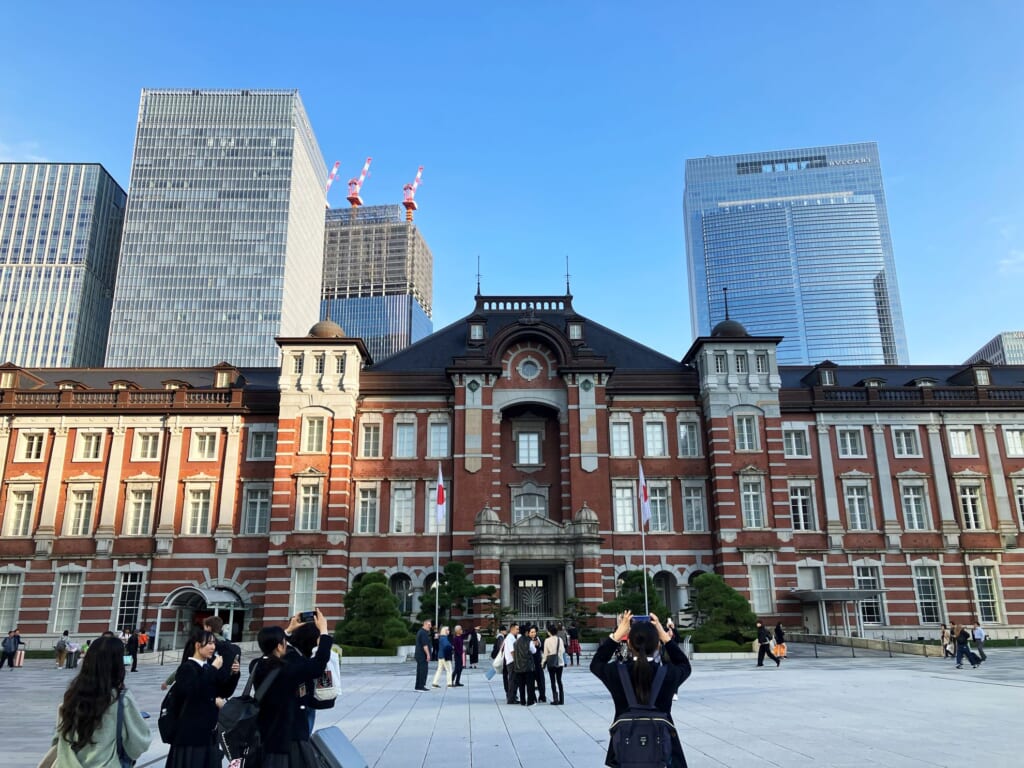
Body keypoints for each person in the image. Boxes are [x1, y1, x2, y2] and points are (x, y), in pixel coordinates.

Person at [590, 611, 691, 768]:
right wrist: (665, 636)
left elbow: (596, 663)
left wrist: (616, 635)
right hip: (664, 749)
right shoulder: (668, 673)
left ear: (629, 644)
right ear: (658, 644)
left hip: (625, 748)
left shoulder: (617, 672)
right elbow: (684, 665)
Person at [49, 635, 152, 766]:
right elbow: (139, 743)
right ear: (117, 664)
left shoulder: (71, 696)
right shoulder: (121, 699)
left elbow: (58, 738)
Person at [250, 610, 334, 767]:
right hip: (290, 735)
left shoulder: (256, 665)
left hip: (266, 731)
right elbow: (318, 663)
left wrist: (288, 631)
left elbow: (272, 650)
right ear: (280, 646)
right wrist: (323, 631)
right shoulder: (290, 669)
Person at [165, 627, 229, 768]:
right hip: (191, 734)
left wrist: (234, 673)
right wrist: (213, 669)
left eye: (214, 643)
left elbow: (224, 689)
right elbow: (194, 692)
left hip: (207, 732)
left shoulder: (207, 667)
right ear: (198, 645)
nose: (213, 647)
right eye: (209, 643)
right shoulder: (187, 668)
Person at [541, 622, 565, 705]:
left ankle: (555, 699)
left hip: (551, 662)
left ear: (549, 632)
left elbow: (545, 653)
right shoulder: (560, 639)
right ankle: (562, 699)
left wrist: (543, 662)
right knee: (559, 680)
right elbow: (563, 651)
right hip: (560, 662)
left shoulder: (547, 640)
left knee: (552, 681)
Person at [513, 626, 537, 706]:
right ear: (526, 632)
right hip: (528, 666)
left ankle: (522, 701)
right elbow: (534, 651)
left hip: (519, 666)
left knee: (521, 685)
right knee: (530, 685)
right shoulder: (529, 641)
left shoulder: (516, 642)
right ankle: (530, 701)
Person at [502, 623, 520, 703]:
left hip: (512, 661)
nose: (518, 631)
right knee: (512, 680)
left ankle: (512, 697)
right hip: (512, 662)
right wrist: (517, 661)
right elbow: (512, 651)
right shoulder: (510, 638)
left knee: (514, 680)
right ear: (512, 629)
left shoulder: (512, 637)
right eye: (517, 629)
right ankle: (511, 698)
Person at [414, 619, 432, 691]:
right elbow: (425, 645)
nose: (430, 626)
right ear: (424, 624)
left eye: (430, 625)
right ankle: (421, 685)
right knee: (423, 670)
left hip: (419, 654)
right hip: (422, 655)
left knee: (419, 670)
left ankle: (418, 685)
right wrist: (428, 654)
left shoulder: (420, 632)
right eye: (428, 625)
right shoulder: (423, 633)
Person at [529, 626, 546, 702]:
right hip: (530, 664)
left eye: (534, 632)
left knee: (541, 680)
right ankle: (533, 697)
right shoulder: (527, 640)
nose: (533, 634)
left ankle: (542, 696)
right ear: (529, 633)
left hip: (538, 663)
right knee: (531, 681)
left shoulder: (539, 639)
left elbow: (543, 650)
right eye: (532, 632)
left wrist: (538, 644)